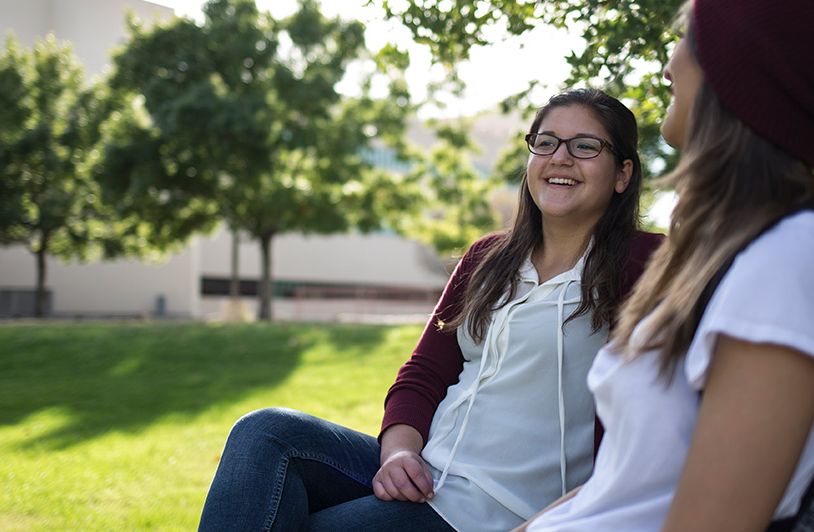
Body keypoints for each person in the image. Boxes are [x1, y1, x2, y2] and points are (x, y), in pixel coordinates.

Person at [522, 0, 814, 532]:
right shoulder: (729, 250)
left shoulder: (795, 260)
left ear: (742, 67)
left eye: (688, 36)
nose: (668, 64)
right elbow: (623, 485)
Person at [198, 88, 663, 532]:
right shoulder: (487, 258)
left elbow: (649, 425)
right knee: (266, 434)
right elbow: (424, 372)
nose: (560, 157)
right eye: (546, 143)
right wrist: (400, 454)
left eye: (585, 146)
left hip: (495, 509)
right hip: (429, 472)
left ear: (623, 174)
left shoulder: (647, 266)